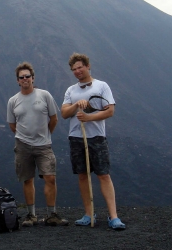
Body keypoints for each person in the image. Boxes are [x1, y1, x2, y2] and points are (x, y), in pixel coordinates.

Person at [61, 53, 126, 230]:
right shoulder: (71, 90)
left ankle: (114, 216)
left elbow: (109, 111)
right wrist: (76, 105)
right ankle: (89, 214)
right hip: (76, 137)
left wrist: (88, 118)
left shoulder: (102, 86)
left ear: (88, 66)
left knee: (103, 174)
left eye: (80, 67)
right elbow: (65, 113)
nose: (77, 71)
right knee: (82, 175)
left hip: (96, 137)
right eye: (74, 69)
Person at [7, 62, 68, 226]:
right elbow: (12, 125)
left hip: (44, 145)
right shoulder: (13, 101)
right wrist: (24, 135)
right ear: (18, 81)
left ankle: (51, 214)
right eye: (22, 77)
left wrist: (46, 134)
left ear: (33, 78)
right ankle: (31, 215)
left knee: (50, 178)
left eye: (28, 76)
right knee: (27, 179)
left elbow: (54, 118)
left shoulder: (45, 95)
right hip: (22, 145)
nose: (25, 79)